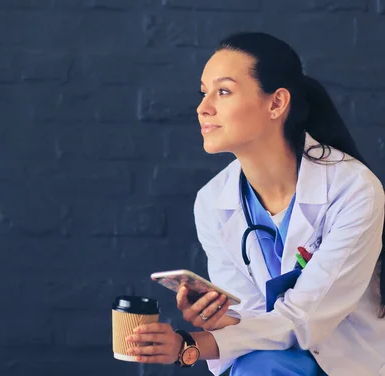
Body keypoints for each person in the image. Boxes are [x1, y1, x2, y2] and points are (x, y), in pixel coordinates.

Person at [124, 32, 385, 375]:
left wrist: (190, 345)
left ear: (276, 103)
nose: (203, 108)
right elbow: (252, 317)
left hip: (347, 360)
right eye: (204, 92)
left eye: (224, 91)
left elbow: (305, 319)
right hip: (269, 359)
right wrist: (221, 318)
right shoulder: (212, 201)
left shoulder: (353, 189)